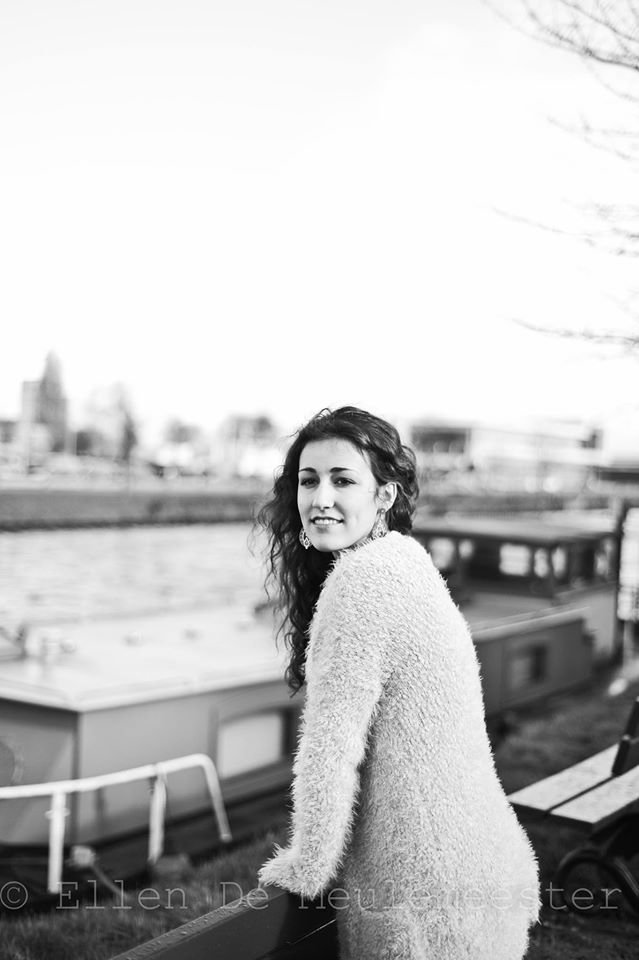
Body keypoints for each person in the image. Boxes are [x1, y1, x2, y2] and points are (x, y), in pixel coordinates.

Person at [256, 406, 540, 960]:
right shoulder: (408, 562)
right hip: (483, 858)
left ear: (384, 495)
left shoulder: (360, 582)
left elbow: (331, 747)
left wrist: (309, 864)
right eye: (308, 481)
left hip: (419, 886)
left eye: (343, 480)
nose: (320, 498)